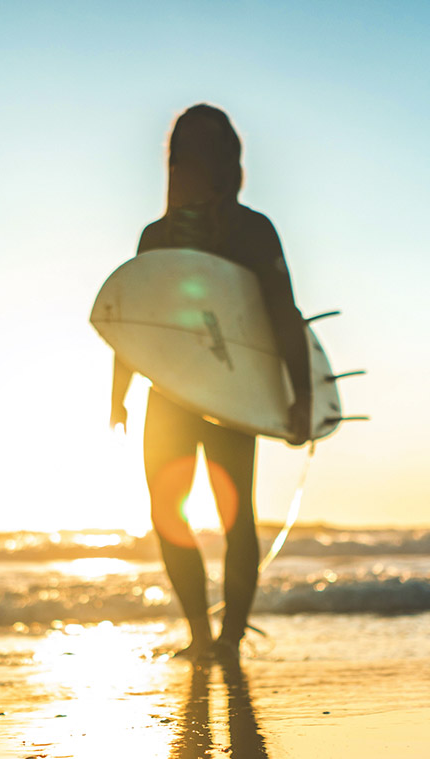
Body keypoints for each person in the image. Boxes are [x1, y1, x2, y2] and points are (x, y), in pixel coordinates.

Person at [109, 104, 312, 659]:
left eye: (204, 149)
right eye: (185, 149)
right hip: (168, 396)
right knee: (165, 514)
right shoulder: (156, 236)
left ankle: (229, 638)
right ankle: (202, 634)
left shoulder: (252, 230)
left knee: (234, 516)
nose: (193, 160)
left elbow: (282, 315)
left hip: (231, 395)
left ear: (224, 160)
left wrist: (303, 396)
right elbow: (135, 323)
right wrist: (118, 394)